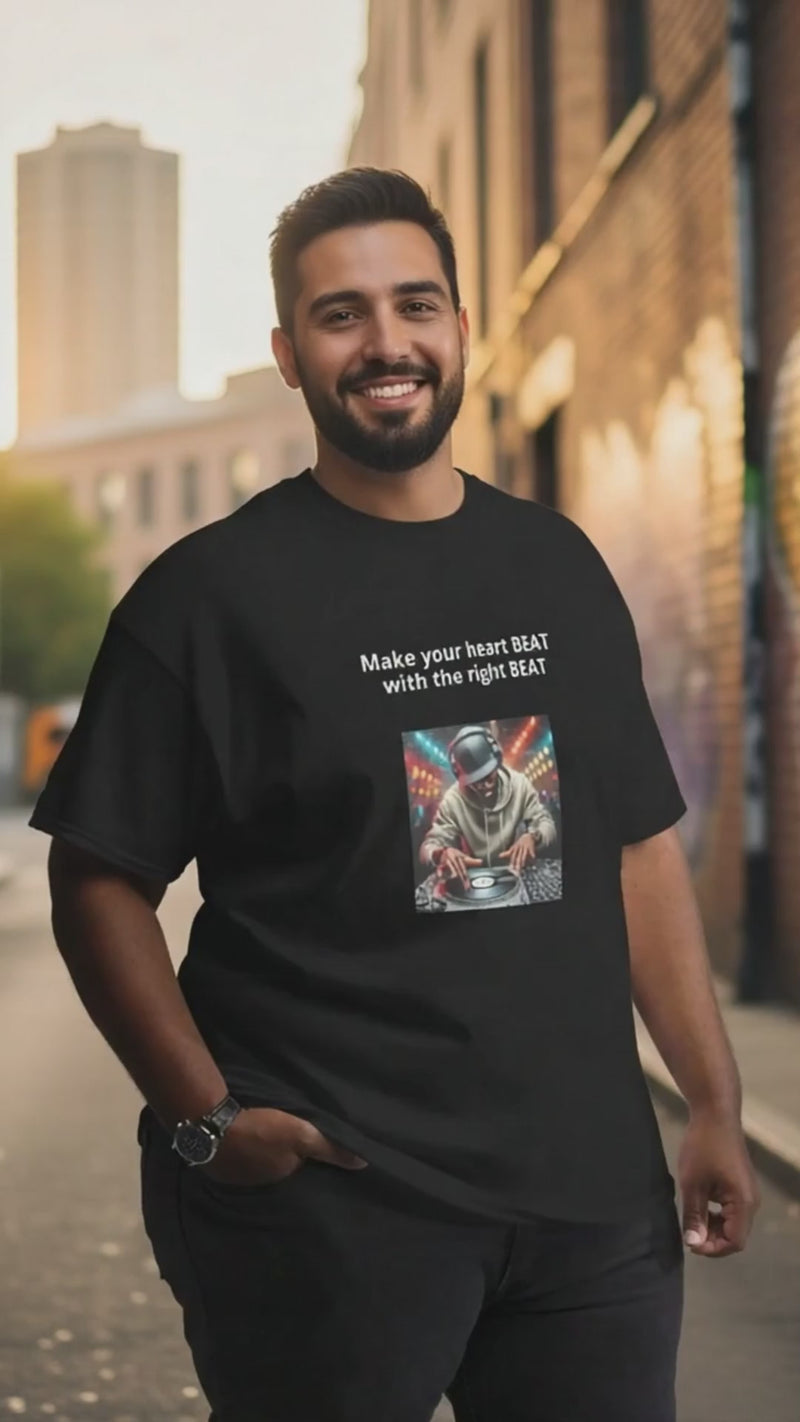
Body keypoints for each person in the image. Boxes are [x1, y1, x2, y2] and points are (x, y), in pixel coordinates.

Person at [31, 167, 759, 1422]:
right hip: (332, 1213)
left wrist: (710, 1103)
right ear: (288, 354)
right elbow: (96, 878)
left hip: (586, 1212)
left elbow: (638, 848)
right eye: (341, 314)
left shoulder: (557, 566)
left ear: (461, 329)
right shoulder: (207, 600)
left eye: (414, 304)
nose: (386, 343)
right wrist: (207, 1122)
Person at [419, 723, 557, 888]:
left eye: (488, 776)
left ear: (497, 760)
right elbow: (426, 848)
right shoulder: (452, 800)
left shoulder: (520, 784)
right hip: (472, 881)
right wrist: (440, 854)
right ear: (459, 775)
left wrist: (533, 837)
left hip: (516, 872)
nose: (484, 786)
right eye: (475, 781)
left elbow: (547, 825)